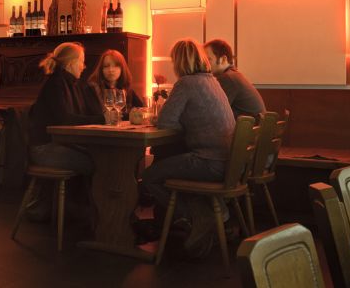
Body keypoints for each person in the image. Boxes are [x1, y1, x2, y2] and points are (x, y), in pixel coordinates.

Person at [139, 38, 235, 256]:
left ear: (178, 62)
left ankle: (196, 216)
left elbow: (166, 122)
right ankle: (205, 214)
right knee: (173, 167)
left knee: (150, 176)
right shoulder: (212, 81)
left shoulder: (186, 83)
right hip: (228, 163)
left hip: (209, 162)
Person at [28, 42, 105, 174]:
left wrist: (103, 115)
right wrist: (102, 119)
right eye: (82, 61)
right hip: (44, 148)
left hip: (61, 144)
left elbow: (84, 113)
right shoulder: (55, 83)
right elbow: (65, 119)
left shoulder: (74, 84)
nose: (84, 67)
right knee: (99, 161)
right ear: (71, 63)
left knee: (103, 155)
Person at [204, 39, 266, 119]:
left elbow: (212, 110)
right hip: (254, 126)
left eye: (208, 59)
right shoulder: (234, 75)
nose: (204, 64)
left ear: (223, 59)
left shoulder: (228, 78)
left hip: (247, 126)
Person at [85, 49, 144, 119]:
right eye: (106, 66)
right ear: (101, 69)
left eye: (116, 66)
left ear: (122, 68)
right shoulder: (92, 88)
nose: (111, 70)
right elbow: (96, 115)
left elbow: (141, 110)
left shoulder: (126, 89)